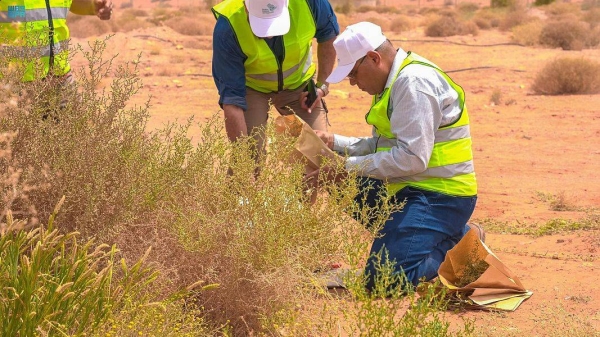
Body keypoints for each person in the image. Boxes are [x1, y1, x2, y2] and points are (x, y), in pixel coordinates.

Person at [306, 22, 482, 291]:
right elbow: (384, 146)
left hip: (440, 197)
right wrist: (336, 142)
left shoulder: (414, 83)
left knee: (384, 281)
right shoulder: (393, 80)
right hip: (408, 187)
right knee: (339, 181)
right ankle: (426, 236)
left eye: (353, 73)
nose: (353, 82)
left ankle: (462, 243)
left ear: (374, 59)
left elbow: (410, 158)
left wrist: (347, 166)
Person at [211, 0, 339, 158]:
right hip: (252, 89)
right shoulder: (228, 25)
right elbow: (232, 100)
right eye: (261, 22)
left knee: (317, 154)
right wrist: (243, 165)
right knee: (249, 158)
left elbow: (328, 36)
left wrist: (322, 87)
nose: (269, 33)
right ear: (246, 5)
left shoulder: (310, 3)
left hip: (299, 87)